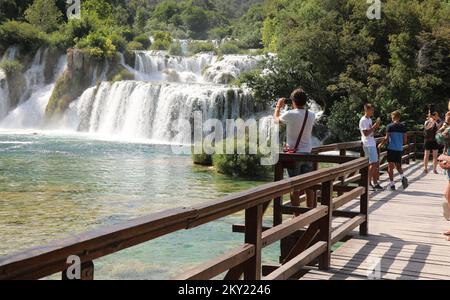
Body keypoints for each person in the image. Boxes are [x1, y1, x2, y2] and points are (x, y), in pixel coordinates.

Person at [274, 88, 316, 208]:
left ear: (293, 101)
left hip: (294, 155)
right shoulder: (311, 115)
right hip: (308, 153)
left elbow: (276, 120)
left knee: (294, 187)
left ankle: (296, 215)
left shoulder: (290, 114)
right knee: (309, 185)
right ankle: (310, 213)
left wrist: (278, 107)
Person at [378, 111, 409, 191]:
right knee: (398, 166)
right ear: (399, 118)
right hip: (399, 148)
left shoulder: (389, 126)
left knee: (390, 167)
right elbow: (405, 140)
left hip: (391, 148)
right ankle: (403, 177)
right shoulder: (403, 127)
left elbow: (386, 138)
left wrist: (381, 144)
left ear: (393, 117)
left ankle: (392, 185)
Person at [360, 104, 383, 191]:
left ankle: (375, 182)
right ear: (366, 110)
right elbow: (365, 134)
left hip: (372, 143)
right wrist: (374, 126)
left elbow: (370, 132)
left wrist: (376, 127)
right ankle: (368, 183)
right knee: (373, 163)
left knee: (374, 164)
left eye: (373, 110)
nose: (373, 112)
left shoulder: (369, 119)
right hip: (368, 144)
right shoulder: (363, 120)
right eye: (371, 110)